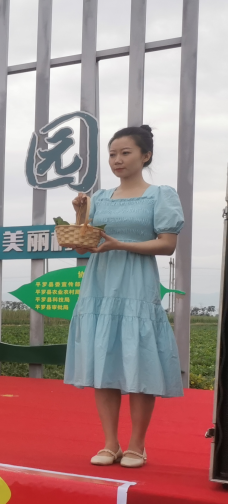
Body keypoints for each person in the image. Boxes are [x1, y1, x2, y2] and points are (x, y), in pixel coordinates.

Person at [65, 125, 184, 469]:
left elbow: (167, 244)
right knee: (104, 360)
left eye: (125, 153)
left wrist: (121, 245)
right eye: (112, 154)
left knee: (140, 360)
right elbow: (83, 244)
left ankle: (137, 445)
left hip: (136, 284)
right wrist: (79, 215)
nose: (117, 160)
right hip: (99, 285)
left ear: (146, 156)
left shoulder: (161, 195)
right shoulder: (100, 198)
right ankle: (110, 443)